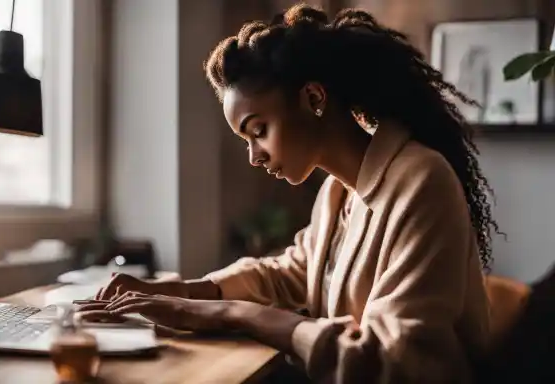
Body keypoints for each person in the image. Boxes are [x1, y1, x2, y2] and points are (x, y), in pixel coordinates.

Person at [79, 4, 500, 382]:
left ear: (313, 98)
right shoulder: (337, 194)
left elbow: (393, 360)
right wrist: (179, 292)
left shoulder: (422, 181)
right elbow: (290, 273)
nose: (254, 157)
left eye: (258, 131)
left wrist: (233, 314)